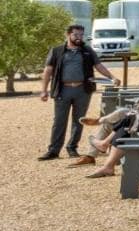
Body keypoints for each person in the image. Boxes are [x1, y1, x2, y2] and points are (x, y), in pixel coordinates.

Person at [39, 24, 114, 161]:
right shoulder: (57, 51)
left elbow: (98, 65)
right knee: (59, 121)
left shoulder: (87, 51)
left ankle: (72, 147)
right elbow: (48, 70)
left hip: (83, 90)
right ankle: (53, 150)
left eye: (81, 35)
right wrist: (44, 90)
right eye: (76, 35)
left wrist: (112, 77)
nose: (79, 38)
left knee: (79, 120)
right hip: (63, 90)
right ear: (68, 35)